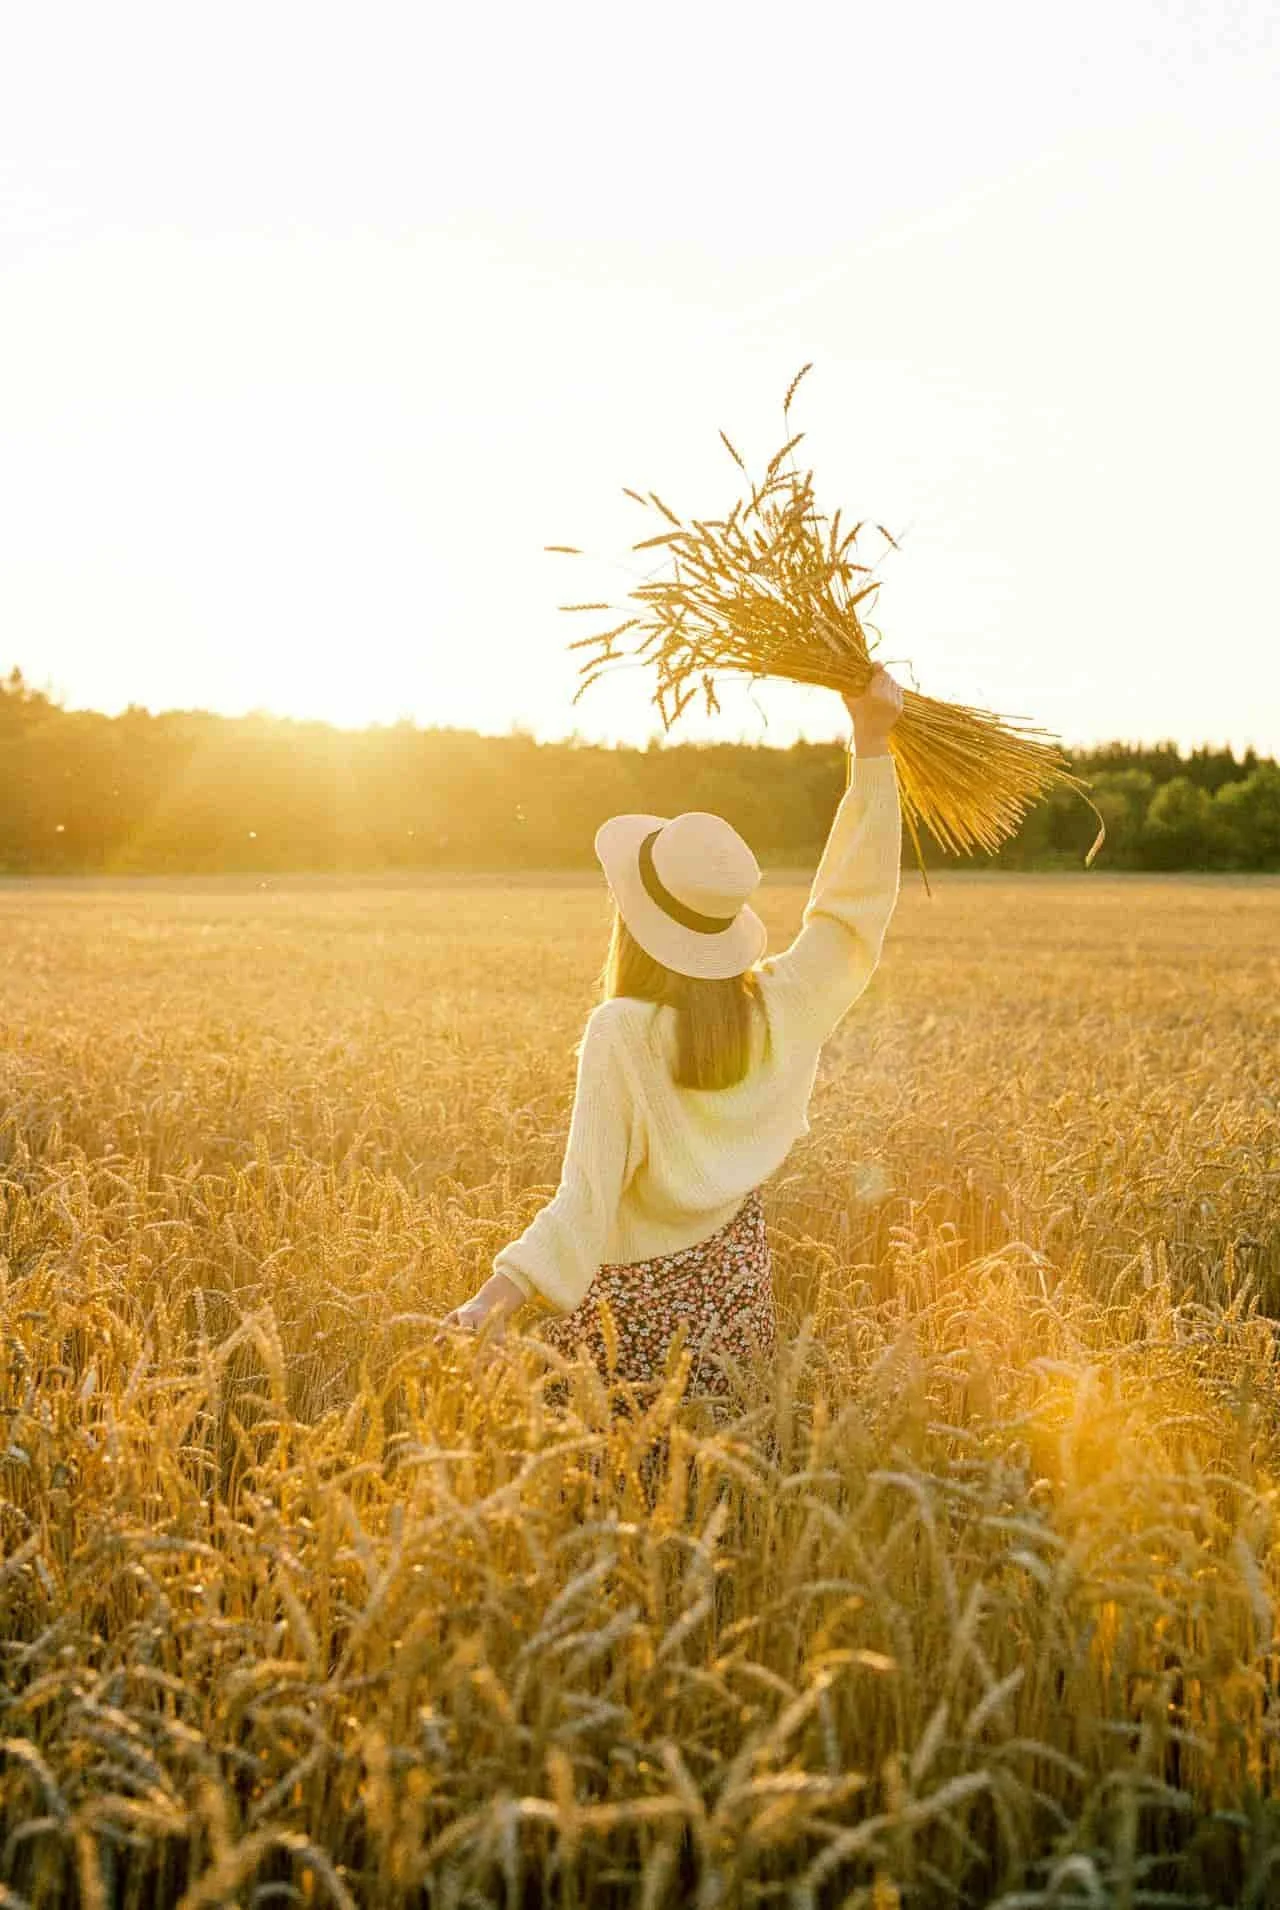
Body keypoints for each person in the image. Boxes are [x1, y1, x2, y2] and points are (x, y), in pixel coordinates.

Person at [437, 664, 905, 1403]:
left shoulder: (623, 1032)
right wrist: (871, 742)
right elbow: (853, 913)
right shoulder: (783, 1002)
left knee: (618, 1497)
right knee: (722, 1495)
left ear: (635, 916)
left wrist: (494, 1298)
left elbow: (584, 1200)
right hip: (737, 1306)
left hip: (630, 1327)